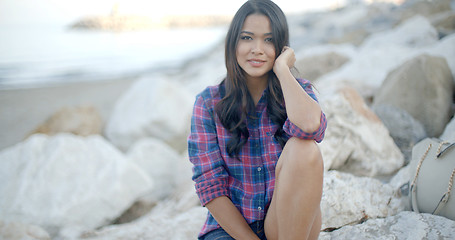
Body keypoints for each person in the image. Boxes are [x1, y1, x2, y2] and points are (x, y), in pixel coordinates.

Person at [188, 0, 327, 239]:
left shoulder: (296, 90)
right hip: (231, 231)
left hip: (288, 222)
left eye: (269, 40)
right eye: (247, 38)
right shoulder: (208, 103)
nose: (258, 49)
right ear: (233, 43)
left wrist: (283, 70)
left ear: (282, 47)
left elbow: (312, 127)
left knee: (304, 148)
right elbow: (209, 185)